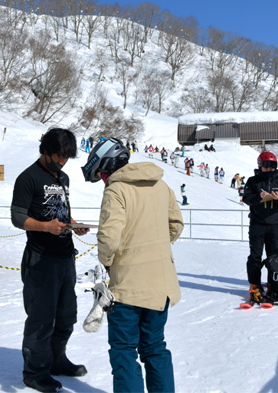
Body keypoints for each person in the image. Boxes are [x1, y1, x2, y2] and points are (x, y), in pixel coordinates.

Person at [82, 138, 183, 393]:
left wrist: (107, 262)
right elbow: (176, 225)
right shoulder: (161, 185)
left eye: (102, 174)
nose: (103, 179)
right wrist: (153, 245)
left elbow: (109, 237)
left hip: (128, 286)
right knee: (154, 347)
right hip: (162, 285)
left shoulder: (116, 190)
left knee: (124, 349)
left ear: (108, 167)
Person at [11, 128, 89, 393]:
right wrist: (45, 227)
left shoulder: (63, 177)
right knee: (41, 318)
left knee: (66, 315)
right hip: (41, 259)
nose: (62, 161)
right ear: (45, 150)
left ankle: (57, 360)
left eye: (66, 157)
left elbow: (61, 213)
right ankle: (35, 372)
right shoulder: (28, 178)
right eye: (58, 156)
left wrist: (74, 225)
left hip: (65, 256)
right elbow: (17, 217)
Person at [241, 151, 278, 302]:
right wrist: (260, 197)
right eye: (266, 166)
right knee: (255, 256)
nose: (269, 169)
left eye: (272, 166)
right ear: (260, 166)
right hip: (257, 223)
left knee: (273, 256)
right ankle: (255, 284)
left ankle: (273, 284)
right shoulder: (253, 181)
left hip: (274, 224)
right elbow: (246, 198)